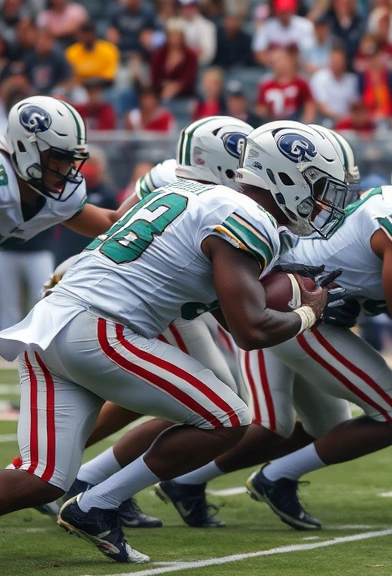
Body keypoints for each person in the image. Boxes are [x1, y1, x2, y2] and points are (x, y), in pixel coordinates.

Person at [0, 119, 346, 562]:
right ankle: (96, 505)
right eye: (317, 186)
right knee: (228, 418)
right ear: (285, 177)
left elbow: (223, 306)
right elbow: (250, 330)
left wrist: (283, 288)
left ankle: (93, 503)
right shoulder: (247, 217)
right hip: (97, 328)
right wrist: (306, 311)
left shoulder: (193, 194)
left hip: (49, 328)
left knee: (39, 478)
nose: (321, 201)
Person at [163, 149, 392, 530]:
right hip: (300, 315)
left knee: (321, 424)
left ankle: (186, 480)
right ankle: (274, 478)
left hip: (285, 302)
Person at [0, 96, 118, 251]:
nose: (68, 169)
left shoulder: (59, 196)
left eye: (71, 159)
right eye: (60, 157)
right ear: (24, 147)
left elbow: (115, 225)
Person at [256, 49, 315, 123]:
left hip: (295, 122)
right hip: (272, 123)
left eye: (283, 60)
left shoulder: (301, 83)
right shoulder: (266, 85)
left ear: (290, 62)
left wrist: (305, 124)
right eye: (277, 61)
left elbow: (309, 106)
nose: (281, 64)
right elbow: (260, 109)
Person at [253, 0, 315, 66]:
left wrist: (286, 57)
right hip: (273, 70)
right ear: (275, 12)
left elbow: (307, 53)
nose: (284, 15)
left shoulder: (305, 25)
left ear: (293, 10)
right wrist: (278, 60)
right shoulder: (267, 26)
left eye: (286, 11)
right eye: (281, 12)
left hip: (300, 69)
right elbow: (259, 54)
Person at [310, 44, 360, 124]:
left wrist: (350, 118)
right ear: (329, 60)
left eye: (340, 60)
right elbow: (321, 108)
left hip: (348, 122)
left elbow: (354, 105)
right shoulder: (319, 78)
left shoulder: (351, 79)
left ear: (345, 62)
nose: (337, 63)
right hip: (326, 121)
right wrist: (342, 117)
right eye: (334, 60)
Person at [149, 22, 199, 101]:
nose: (174, 38)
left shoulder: (190, 55)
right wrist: (165, 85)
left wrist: (175, 87)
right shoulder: (159, 54)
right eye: (172, 35)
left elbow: (190, 78)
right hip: (160, 92)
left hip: (184, 95)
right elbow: (155, 76)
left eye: (177, 35)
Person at [176, 0, 217, 67]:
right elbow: (172, 53)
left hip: (201, 66)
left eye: (190, 6)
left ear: (196, 7)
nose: (187, 10)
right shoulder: (173, 24)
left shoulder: (208, 26)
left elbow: (208, 54)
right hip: (179, 66)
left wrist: (185, 52)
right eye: (184, 7)